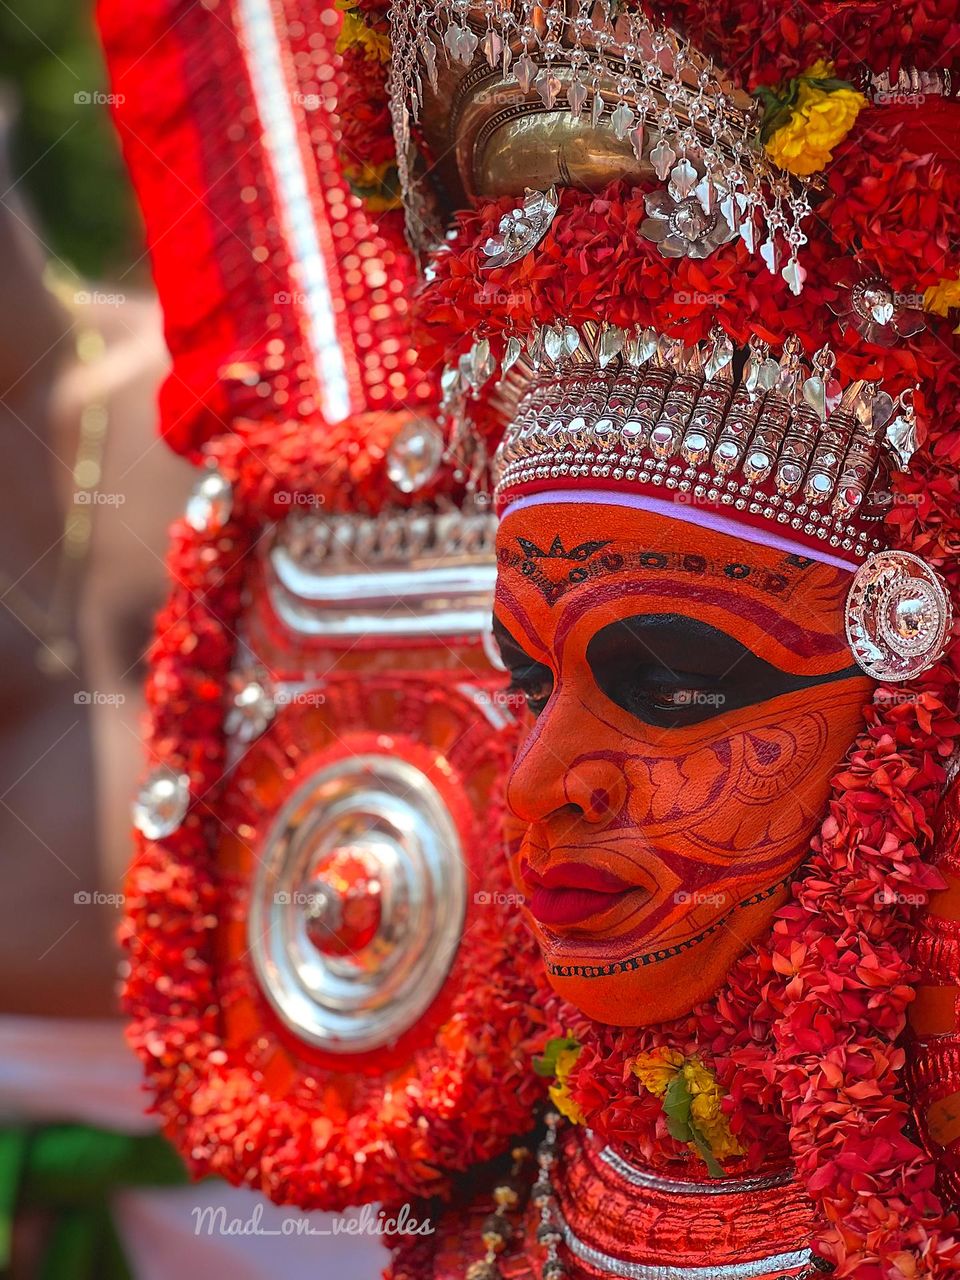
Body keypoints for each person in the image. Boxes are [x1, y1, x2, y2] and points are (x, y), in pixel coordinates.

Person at [98, 0, 960, 1276]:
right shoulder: (501, 1180)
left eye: (672, 676)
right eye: (522, 673)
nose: (534, 783)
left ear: (920, 691)